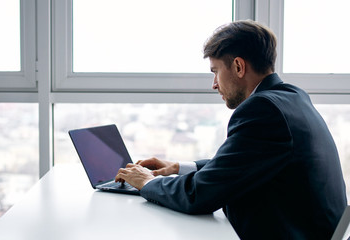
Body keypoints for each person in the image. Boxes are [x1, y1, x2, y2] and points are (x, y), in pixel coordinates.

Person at [115, 20, 347, 239]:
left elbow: (198, 195)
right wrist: (178, 167)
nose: (214, 84)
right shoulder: (292, 96)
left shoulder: (263, 109)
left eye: (215, 71)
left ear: (238, 66)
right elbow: (241, 163)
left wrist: (147, 182)